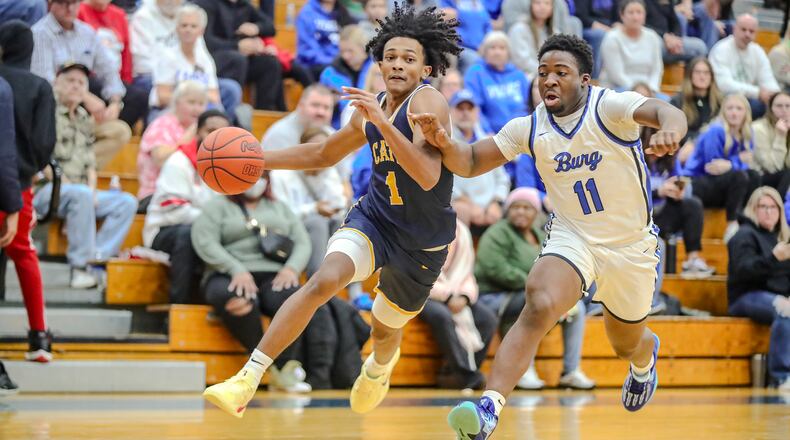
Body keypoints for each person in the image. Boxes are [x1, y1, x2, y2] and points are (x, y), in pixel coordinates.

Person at [408, 34, 686, 438]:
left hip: (630, 246)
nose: (549, 80)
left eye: (561, 73)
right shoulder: (531, 126)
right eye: (542, 74)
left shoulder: (608, 106)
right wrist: (444, 141)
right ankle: (489, 409)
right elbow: (468, 161)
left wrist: (669, 131)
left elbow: (666, 111)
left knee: (626, 342)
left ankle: (644, 361)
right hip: (573, 236)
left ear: (585, 80)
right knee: (538, 301)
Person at [203, 3, 463, 417]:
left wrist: (383, 122)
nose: (397, 64)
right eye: (390, 57)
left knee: (384, 328)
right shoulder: (373, 104)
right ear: (379, 62)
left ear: (425, 70)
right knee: (323, 281)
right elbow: (325, 152)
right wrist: (258, 160)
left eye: (409, 59)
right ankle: (247, 379)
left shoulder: (428, 102)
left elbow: (429, 175)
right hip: (376, 219)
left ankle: (379, 368)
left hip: (422, 239)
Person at [192, 171, 342, 391]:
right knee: (238, 302)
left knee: (297, 303)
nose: (256, 181)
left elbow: (302, 241)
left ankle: (286, 369)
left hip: (274, 275)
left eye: (261, 176)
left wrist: (291, 269)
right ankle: (265, 368)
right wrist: (235, 269)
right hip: (229, 273)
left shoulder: (279, 207)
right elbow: (204, 240)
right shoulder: (217, 206)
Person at [474, 188, 596, 391]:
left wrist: (558, 298)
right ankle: (523, 371)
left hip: (529, 294)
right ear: (507, 211)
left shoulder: (541, 236)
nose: (521, 212)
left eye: (527, 208)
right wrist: (537, 288)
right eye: (515, 207)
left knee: (577, 310)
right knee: (530, 303)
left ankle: (571, 371)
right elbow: (494, 267)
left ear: (537, 213)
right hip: (494, 297)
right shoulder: (497, 232)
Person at [32, 62, 138, 289]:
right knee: (81, 195)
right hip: (46, 191)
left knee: (127, 202)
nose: (75, 86)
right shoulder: (45, 112)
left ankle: (96, 259)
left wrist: (91, 189)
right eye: (70, 80)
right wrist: (74, 189)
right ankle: (79, 268)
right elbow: (43, 160)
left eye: (81, 83)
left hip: (79, 192)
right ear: (56, 84)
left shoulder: (83, 117)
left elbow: (90, 162)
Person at [0, 20, 56, 362]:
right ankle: (38, 335)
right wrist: (30, 169)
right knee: (24, 254)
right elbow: (44, 143)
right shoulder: (39, 86)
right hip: (16, 187)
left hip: (8, 180)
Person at [143, 109, 228, 304]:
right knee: (189, 234)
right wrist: (218, 222)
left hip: (206, 227)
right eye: (210, 131)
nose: (215, 138)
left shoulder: (226, 167)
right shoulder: (178, 162)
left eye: (221, 133)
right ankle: (178, 305)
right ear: (198, 132)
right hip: (164, 229)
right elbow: (176, 212)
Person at [419, 218, 497, 390]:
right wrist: (447, 297)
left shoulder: (460, 230)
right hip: (419, 293)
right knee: (441, 315)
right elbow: (414, 273)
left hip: (456, 292)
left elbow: (467, 272)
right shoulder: (417, 225)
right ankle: (467, 375)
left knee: (487, 318)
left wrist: (464, 296)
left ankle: (456, 373)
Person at [727, 186, 790, 391]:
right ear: (753, 209)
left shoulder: (780, 238)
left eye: (774, 207)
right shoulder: (743, 235)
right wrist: (773, 258)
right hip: (745, 296)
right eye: (764, 207)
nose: (769, 212)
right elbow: (744, 271)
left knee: (785, 305)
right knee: (784, 310)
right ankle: (780, 377)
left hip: (774, 295)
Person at [682, 93, 761, 242]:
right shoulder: (716, 130)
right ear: (723, 111)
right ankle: (731, 224)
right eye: (730, 108)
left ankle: (747, 219)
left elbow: (742, 165)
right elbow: (713, 167)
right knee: (739, 176)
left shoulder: (748, 133)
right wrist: (736, 161)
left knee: (754, 176)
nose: (734, 112)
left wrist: (730, 164)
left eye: (739, 108)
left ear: (746, 113)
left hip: (723, 186)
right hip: (698, 183)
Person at [270, 128, 348, 278]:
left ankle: (351, 290)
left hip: (322, 232)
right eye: (316, 147)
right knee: (317, 222)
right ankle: (316, 281)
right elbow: (282, 217)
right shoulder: (280, 174)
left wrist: (324, 175)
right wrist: (314, 209)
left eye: (325, 148)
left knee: (341, 222)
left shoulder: (328, 172)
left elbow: (339, 205)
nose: (320, 153)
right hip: (288, 235)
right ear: (302, 148)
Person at [192, 0, 284, 111]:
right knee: (237, 59)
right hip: (212, 59)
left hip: (240, 59)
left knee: (270, 63)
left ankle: (264, 113)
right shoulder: (207, 4)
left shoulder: (244, 5)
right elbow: (206, 42)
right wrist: (237, 45)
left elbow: (271, 27)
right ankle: (233, 109)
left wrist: (256, 28)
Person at [148, 4, 234, 121]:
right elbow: (162, 96)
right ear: (177, 28)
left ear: (201, 31)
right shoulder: (167, 56)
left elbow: (215, 97)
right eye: (184, 25)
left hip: (200, 111)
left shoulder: (205, 60)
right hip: (169, 111)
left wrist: (192, 103)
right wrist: (192, 103)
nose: (188, 30)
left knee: (220, 110)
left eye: (193, 26)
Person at [136, 80, 208, 210]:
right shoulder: (162, 124)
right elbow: (160, 160)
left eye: (201, 104)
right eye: (191, 102)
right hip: (157, 195)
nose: (197, 109)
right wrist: (188, 138)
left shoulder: (200, 131)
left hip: (190, 195)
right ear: (176, 102)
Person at [708, 14, 781, 119]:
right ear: (734, 29)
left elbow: (768, 80)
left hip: (750, 99)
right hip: (723, 99)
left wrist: (776, 97)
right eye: (743, 29)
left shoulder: (758, 51)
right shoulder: (721, 49)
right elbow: (724, 85)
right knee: (757, 106)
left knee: (779, 106)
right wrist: (758, 93)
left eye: (751, 31)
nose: (747, 34)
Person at [464, 31, 530, 133]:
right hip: (492, 135)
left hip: (522, 134)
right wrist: (487, 132)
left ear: (508, 52)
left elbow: (529, 105)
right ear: (485, 51)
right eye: (492, 48)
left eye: (502, 48)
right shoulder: (475, 73)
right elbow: (475, 108)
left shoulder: (518, 75)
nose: (497, 52)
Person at [599, 0, 663, 94]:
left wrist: (651, 89)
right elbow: (616, 75)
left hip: (647, 90)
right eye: (631, 13)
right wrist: (637, 90)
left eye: (639, 12)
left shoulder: (652, 37)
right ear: (622, 15)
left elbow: (657, 69)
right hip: (618, 89)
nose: (635, 17)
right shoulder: (612, 38)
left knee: (668, 103)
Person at [319, 25, 374, 129]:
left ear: (364, 48)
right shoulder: (329, 73)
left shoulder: (377, 70)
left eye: (350, 51)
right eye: (342, 51)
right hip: (337, 130)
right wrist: (332, 101)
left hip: (370, 129)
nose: (345, 56)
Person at [670, 57, 722, 159]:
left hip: (712, 149)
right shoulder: (678, 101)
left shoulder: (720, 102)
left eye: (706, 73)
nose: (702, 77)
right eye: (698, 72)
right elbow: (674, 130)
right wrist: (693, 142)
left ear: (711, 77)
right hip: (684, 150)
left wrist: (698, 140)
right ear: (690, 75)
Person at [260, 84, 334, 150]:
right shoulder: (280, 134)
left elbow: (343, 165)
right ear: (301, 106)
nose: (321, 112)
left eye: (326, 107)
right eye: (315, 105)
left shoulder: (332, 134)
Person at [752, 91, 790, 198]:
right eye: (779, 106)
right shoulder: (758, 128)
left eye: (788, 106)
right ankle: (779, 208)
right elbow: (773, 167)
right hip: (761, 178)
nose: (784, 110)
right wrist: (781, 136)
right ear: (771, 109)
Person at [508, 0, 558, 78]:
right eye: (538, 3)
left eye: (547, 3)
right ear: (530, 6)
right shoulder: (519, 29)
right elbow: (522, 61)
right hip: (526, 76)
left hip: (549, 74)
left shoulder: (555, 33)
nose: (542, 7)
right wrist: (545, 71)